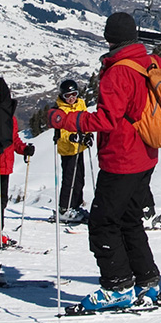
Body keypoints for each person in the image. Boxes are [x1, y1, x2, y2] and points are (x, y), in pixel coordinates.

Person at [48, 12, 161, 311]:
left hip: (121, 158)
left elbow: (106, 120)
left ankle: (117, 286)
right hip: (146, 155)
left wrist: (65, 119)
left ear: (109, 39)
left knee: (104, 222)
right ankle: (147, 282)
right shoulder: (150, 62)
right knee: (130, 219)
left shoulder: (118, 71)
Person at [0, 75, 35, 250]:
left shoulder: (9, 118)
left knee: (1, 201)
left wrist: (24, 149)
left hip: (5, 166)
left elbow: (13, 139)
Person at [52, 76, 92, 225]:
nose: (71, 98)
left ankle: (75, 206)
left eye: (74, 95)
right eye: (67, 96)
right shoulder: (60, 109)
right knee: (69, 179)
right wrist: (72, 137)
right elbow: (61, 130)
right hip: (67, 149)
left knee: (80, 179)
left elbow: (86, 120)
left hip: (79, 148)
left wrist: (87, 135)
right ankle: (64, 208)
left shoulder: (80, 104)